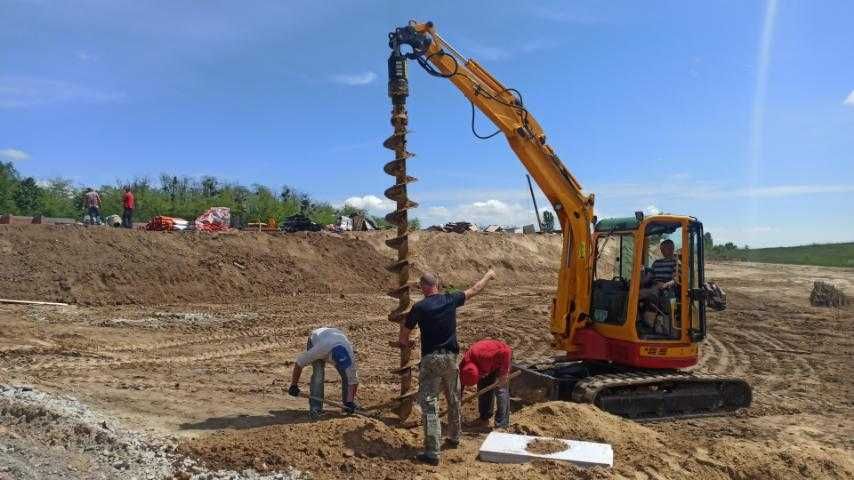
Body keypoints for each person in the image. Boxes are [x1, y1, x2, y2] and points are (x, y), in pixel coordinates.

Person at [398, 268, 497, 465]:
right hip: (451, 359)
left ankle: (433, 452)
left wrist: (405, 343)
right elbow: (474, 289)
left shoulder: (419, 307)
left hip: (431, 360)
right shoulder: (450, 299)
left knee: (430, 403)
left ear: (423, 287)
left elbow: (405, 332)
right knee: (453, 398)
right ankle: (454, 436)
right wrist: (488, 275)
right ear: (437, 285)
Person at [288, 327, 359, 419]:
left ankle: (347, 403)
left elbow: (353, 381)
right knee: (318, 375)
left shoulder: (350, 357)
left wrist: (350, 401)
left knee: (348, 375)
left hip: (334, 337)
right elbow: (299, 363)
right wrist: (294, 385)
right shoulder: (319, 350)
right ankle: (315, 409)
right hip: (316, 339)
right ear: (332, 358)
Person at [459, 339, 512, 428]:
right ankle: (484, 418)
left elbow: (507, 351)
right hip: (485, 364)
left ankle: (502, 424)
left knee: (501, 391)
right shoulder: (463, 367)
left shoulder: (484, 356)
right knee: (483, 387)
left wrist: (504, 373)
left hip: (501, 359)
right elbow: (459, 385)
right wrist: (457, 401)